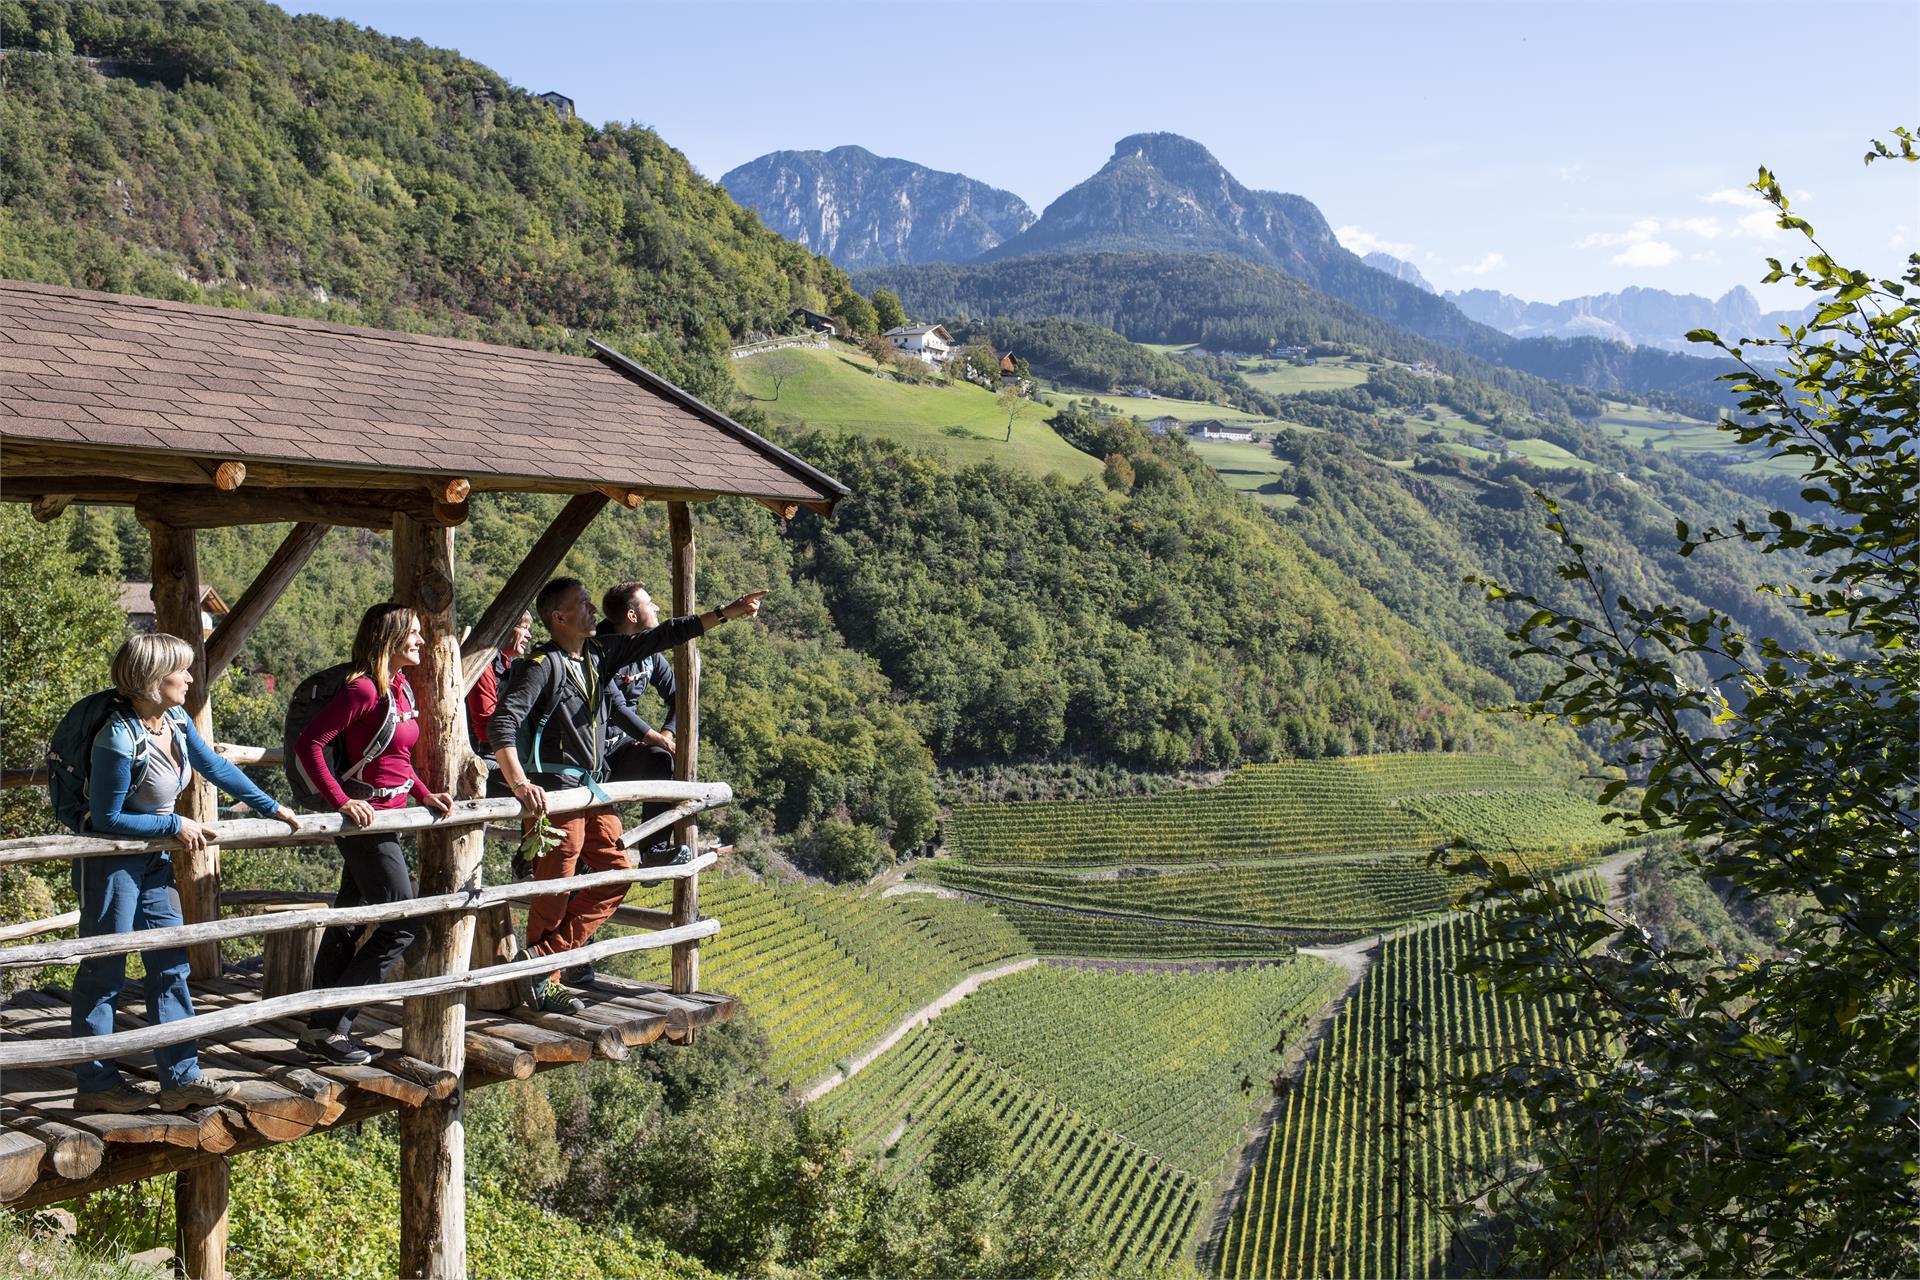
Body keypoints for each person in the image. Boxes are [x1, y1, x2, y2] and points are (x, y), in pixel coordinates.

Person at [490, 576, 762, 1013]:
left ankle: (542, 960)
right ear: (559, 617)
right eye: (582, 604)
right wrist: (521, 783)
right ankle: (544, 980)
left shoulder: (598, 653)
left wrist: (725, 613)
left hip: (593, 789)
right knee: (555, 887)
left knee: (616, 874)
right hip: (558, 791)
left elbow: (664, 634)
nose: (592, 609)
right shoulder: (541, 665)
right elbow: (502, 723)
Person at [72, 633, 302, 1113]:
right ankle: (96, 1087)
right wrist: (175, 823)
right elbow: (107, 817)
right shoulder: (118, 736)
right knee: (105, 970)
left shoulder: (173, 720)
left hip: (153, 861)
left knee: (170, 963)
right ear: (154, 680)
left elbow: (213, 765)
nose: (190, 679)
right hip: (111, 864)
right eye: (183, 671)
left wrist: (272, 807)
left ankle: (180, 1079)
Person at [292, 603, 452, 1065]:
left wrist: (423, 793)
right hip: (367, 825)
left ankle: (317, 1025)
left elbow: (395, 757)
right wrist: (341, 801)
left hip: (390, 818)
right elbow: (311, 745)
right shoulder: (363, 688)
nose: (422, 641)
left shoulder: (398, 687)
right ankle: (333, 1026)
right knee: (403, 924)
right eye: (414, 634)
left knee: (350, 921)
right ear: (391, 638)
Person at [598, 582, 683, 868]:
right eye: (650, 603)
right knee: (582, 849)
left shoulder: (651, 656)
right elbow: (616, 708)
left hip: (622, 748)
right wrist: (651, 736)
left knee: (660, 761)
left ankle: (653, 853)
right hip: (588, 752)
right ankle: (527, 860)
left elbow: (679, 697)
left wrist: (665, 733)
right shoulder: (599, 650)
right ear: (632, 616)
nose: (656, 607)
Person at [467, 609, 533, 773]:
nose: (529, 635)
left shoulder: (505, 665)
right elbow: (485, 727)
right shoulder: (483, 664)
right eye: (523, 627)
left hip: (503, 751)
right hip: (486, 757)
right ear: (504, 627)